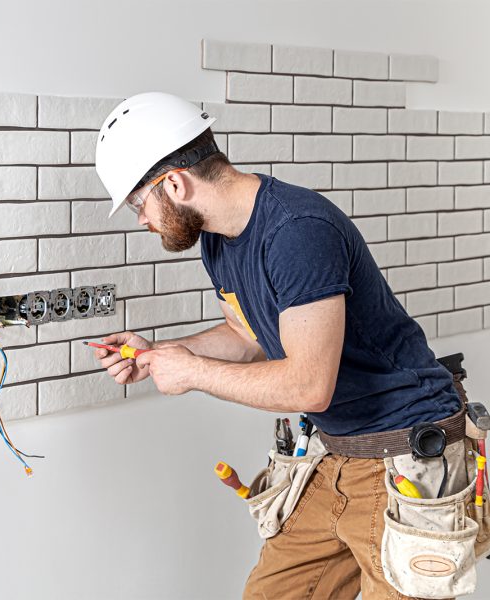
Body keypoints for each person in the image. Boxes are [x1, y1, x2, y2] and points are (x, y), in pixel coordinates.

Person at [94, 92, 468, 599]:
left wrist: (193, 373)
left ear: (175, 184)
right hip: (336, 451)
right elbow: (247, 336)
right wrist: (162, 354)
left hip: (407, 456)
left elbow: (310, 385)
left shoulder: (296, 232)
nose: (142, 220)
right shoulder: (218, 238)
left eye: (139, 204)